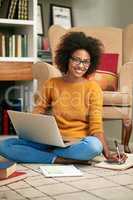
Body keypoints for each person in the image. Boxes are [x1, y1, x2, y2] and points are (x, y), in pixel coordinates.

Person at [0, 32, 127, 164]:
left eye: (85, 61)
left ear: (91, 63)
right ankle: (60, 159)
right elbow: (38, 110)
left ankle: (42, 156)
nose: (81, 65)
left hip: (76, 144)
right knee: (3, 145)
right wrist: (31, 129)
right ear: (67, 59)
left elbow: (96, 128)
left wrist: (108, 154)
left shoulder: (93, 88)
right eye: (76, 59)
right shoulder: (52, 83)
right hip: (49, 141)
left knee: (94, 146)